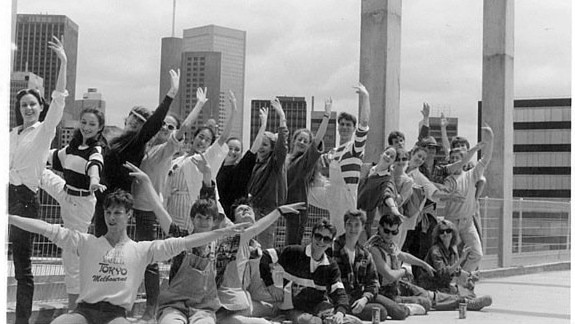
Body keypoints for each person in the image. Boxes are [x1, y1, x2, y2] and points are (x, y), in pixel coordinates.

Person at [9, 163, 246, 324]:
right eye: (108, 212)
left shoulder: (142, 250)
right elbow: (45, 228)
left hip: (117, 315)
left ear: (129, 216)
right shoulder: (86, 242)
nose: (112, 218)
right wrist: (8, 218)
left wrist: (222, 233)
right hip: (84, 312)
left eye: (118, 213)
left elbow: (187, 241)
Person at [131, 86, 209, 321]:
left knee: (149, 261)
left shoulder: (166, 149)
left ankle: (152, 309)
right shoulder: (147, 146)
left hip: (147, 210)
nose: (166, 128)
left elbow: (185, 127)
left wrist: (199, 105)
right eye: (164, 124)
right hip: (131, 208)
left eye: (171, 126)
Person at [9, 36, 67, 324]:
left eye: (33, 105)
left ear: (40, 107)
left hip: (24, 202)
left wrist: (63, 62)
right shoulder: (10, 135)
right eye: (23, 106)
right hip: (5, 195)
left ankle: (21, 321)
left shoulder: (45, 131)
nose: (28, 109)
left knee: (22, 269)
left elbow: (59, 98)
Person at [93, 69, 180, 237]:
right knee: (100, 244)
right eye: (133, 116)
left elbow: (153, 125)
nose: (135, 121)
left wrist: (170, 94)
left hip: (117, 202)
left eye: (140, 121)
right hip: (103, 199)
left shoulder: (135, 143)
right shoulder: (114, 138)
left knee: (111, 246)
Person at [41, 106, 107, 310]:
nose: (87, 127)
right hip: (66, 192)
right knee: (38, 170)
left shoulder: (95, 149)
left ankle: (74, 307)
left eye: (92, 124)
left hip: (80, 204)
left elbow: (94, 165)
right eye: (84, 122)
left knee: (71, 255)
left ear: (99, 128)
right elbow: (52, 157)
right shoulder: (73, 147)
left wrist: (94, 180)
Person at [260, 218, 362, 324]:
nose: (321, 241)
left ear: (330, 243)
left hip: (318, 306)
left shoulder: (331, 266)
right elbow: (265, 256)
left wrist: (340, 313)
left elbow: (340, 293)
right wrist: (270, 285)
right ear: (311, 236)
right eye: (318, 236)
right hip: (291, 307)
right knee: (311, 322)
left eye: (326, 239)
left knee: (352, 322)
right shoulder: (293, 252)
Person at [331, 210, 427, 321]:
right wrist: (404, 270)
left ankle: (404, 308)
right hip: (342, 299)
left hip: (363, 295)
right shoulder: (334, 248)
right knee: (381, 312)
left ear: (362, 227)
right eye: (349, 224)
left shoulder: (364, 254)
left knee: (397, 311)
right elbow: (331, 280)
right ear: (344, 225)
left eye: (357, 225)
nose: (353, 229)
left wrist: (364, 299)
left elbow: (373, 282)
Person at [164, 90, 237, 232]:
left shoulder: (205, 158)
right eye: (200, 137)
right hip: (172, 208)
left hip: (191, 210)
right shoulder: (177, 160)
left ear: (210, 145)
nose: (202, 141)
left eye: (207, 140)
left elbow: (223, 138)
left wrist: (233, 111)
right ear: (194, 137)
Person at [319, 84, 370, 235]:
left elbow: (365, 122)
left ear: (354, 128)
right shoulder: (332, 152)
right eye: (342, 124)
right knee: (332, 230)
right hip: (331, 192)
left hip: (346, 194)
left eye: (348, 125)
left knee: (345, 232)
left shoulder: (355, 147)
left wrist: (365, 97)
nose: (344, 127)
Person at [442, 124, 494, 273]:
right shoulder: (447, 177)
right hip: (451, 223)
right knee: (451, 256)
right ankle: (451, 284)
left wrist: (491, 139)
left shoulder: (471, 174)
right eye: (452, 159)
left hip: (468, 221)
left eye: (459, 158)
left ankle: (461, 280)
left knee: (477, 254)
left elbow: (486, 159)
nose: (456, 161)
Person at [284, 98, 331, 245]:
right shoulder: (286, 160)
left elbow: (317, 141)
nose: (302, 142)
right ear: (294, 140)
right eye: (300, 139)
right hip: (283, 207)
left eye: (306, 141)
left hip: (296, 210)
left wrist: (327, 116)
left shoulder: (304, 163)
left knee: (291, 247)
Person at [417, 219, 493, 309]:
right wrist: (461, 259)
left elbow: (457, 271)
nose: (445, 234)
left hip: (443, 285)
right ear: (438, 235)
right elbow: (443, 273)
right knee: (454, 297)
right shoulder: (435, 251)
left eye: (448, 231)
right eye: (442, 232)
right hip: (431, 286)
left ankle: (467, 300)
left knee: (468, 292)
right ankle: (467, 303)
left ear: (453, 233)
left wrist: (470, 275)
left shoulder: (451, 250)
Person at [246, 98, 289, 248]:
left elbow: (282, 148)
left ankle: (265, 271)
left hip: (266, 211)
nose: (261, 148)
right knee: (250, 248)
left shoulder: (274, 164)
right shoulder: (255, 165)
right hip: (252, 208)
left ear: (272, 148)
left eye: (265, 145)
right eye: (259, 144)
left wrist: (282, 117)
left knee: (263, 249)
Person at [216, 107, 269, 220]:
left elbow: (254, 148)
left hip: (237, 216)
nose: (232, 152)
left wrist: (263, 124)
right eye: (230, 148)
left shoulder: (241, 168)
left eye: (237, 149)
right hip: (218, 215)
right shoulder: (216, 167)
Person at [357, 146, 402, 240]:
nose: (388, 157)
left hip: (366, 219)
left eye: (392, 156)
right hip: (352, 210)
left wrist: (393, 208)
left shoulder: (386, 179)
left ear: (393, 162)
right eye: (387, 153)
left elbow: (387, 193)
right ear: (382, 154)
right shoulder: (365, 167)